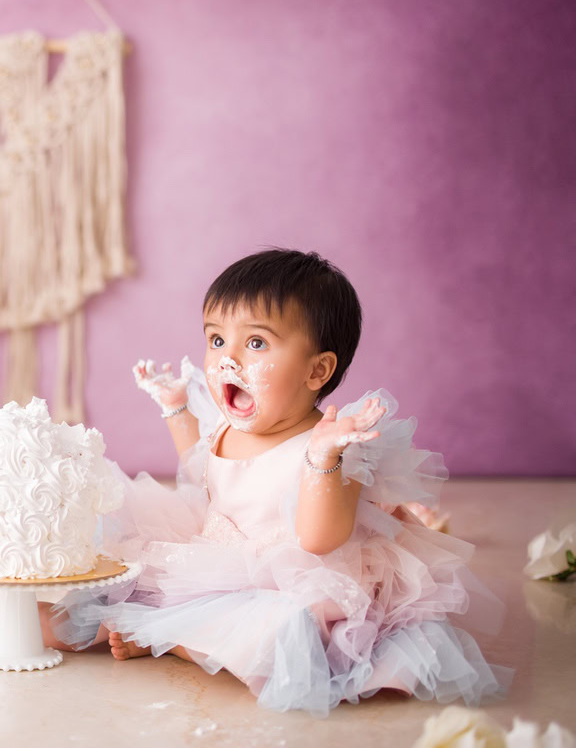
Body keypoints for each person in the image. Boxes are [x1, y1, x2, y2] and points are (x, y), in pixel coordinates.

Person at [39, 248, 510, 717]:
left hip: (291, 582)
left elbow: (319, 538)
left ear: (317, 371)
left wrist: (322, 458)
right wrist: (175, 407)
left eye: (257, 344)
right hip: (214, 559)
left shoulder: (336, 447)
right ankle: (94, 625)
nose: (228, 359)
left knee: (279, 632)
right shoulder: (226, 428)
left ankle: (174, 640)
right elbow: (198, 471)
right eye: (217, 340)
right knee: (122, 577)